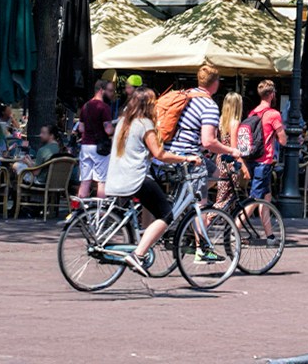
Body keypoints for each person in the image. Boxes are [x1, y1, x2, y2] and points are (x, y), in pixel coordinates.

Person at [107, 89, 200, 276]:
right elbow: (160, 154)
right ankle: (138, 254)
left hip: (115, 178)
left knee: (146, 206)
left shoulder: (123, 122)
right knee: (166, 214)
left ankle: (135, 243)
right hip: (135, 179)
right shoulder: (145, 124)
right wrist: (186, 158)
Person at [167, 66, 243, 192]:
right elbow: (208, 142)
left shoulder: (186, 96)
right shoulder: (209, 105)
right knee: (213, 177)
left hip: (167, 152)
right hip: (187, 154)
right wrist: (231, 151)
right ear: (215, 83)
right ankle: (195, 203)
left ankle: (186, 201)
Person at [242, 80, 286, 201]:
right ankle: (237, 221)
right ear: (272, 94)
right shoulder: (273, 114)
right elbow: (283, 141)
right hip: (264, 160)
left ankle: (266, 221)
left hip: (252, 157)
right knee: (255, 199)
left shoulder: (252, 113)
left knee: (266, 196)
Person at [76, 80, 115, 200]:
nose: (112, 94)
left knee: (85, 180)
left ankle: (80, 210)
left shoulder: (86, 106)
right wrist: (115, 128)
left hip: (85, 146)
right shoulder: (104, 107)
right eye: (109, 91)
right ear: (101, 90)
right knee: (101, 181)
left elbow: (81, 128)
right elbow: (108, 130)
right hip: (99, 148)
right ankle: (101, 213)